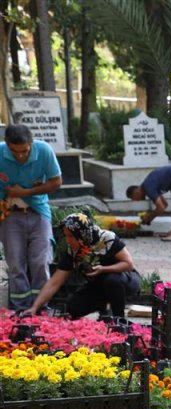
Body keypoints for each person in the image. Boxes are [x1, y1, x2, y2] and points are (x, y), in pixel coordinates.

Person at [23, 213, 141, 319]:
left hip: (124, 280)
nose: (67, 240)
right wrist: (35, 307)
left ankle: (118, 320)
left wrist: (103, 269)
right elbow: (55, 282)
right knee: (72, 309)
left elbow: (128, 264)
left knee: (111, 280)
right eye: (66, 236)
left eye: (70, 236)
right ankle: (103, 308)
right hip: (98, 287)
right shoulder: (72, 251)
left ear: (81, 234)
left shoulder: (107, 238)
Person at [0, 124, 62, 311]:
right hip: (10, 215)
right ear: (7, 144)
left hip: (38, 212)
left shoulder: (43, 151)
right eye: (14, 151)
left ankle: (40, 306)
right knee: (16, 263)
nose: (20, 155)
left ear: (31, 143)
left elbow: (56, 182)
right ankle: (19, 307)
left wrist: (26, 191)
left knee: (40, 260)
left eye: (24, 151)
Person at [126, 165, 171, 241]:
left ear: (135, 192)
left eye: (133, 198)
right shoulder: (150, 185)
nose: (136, 201)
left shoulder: (148, 187)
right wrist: (150, 218)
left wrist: (149, 215)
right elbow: (164, 205)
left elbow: (161, 208)